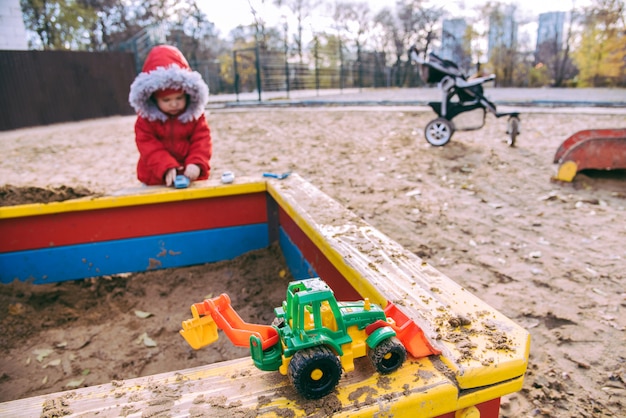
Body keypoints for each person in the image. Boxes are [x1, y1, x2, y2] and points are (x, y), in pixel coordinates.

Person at [128, 45, 212, 186]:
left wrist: (196, 162)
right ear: (153, 99)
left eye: (179, 98)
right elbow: (148, 146)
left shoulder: (195, 116)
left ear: (188, 94)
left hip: (190, 176)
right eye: (166, 100)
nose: (174, 104)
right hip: (155, 177)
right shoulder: (146, 121)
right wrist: (165, 166)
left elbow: (202, 140)